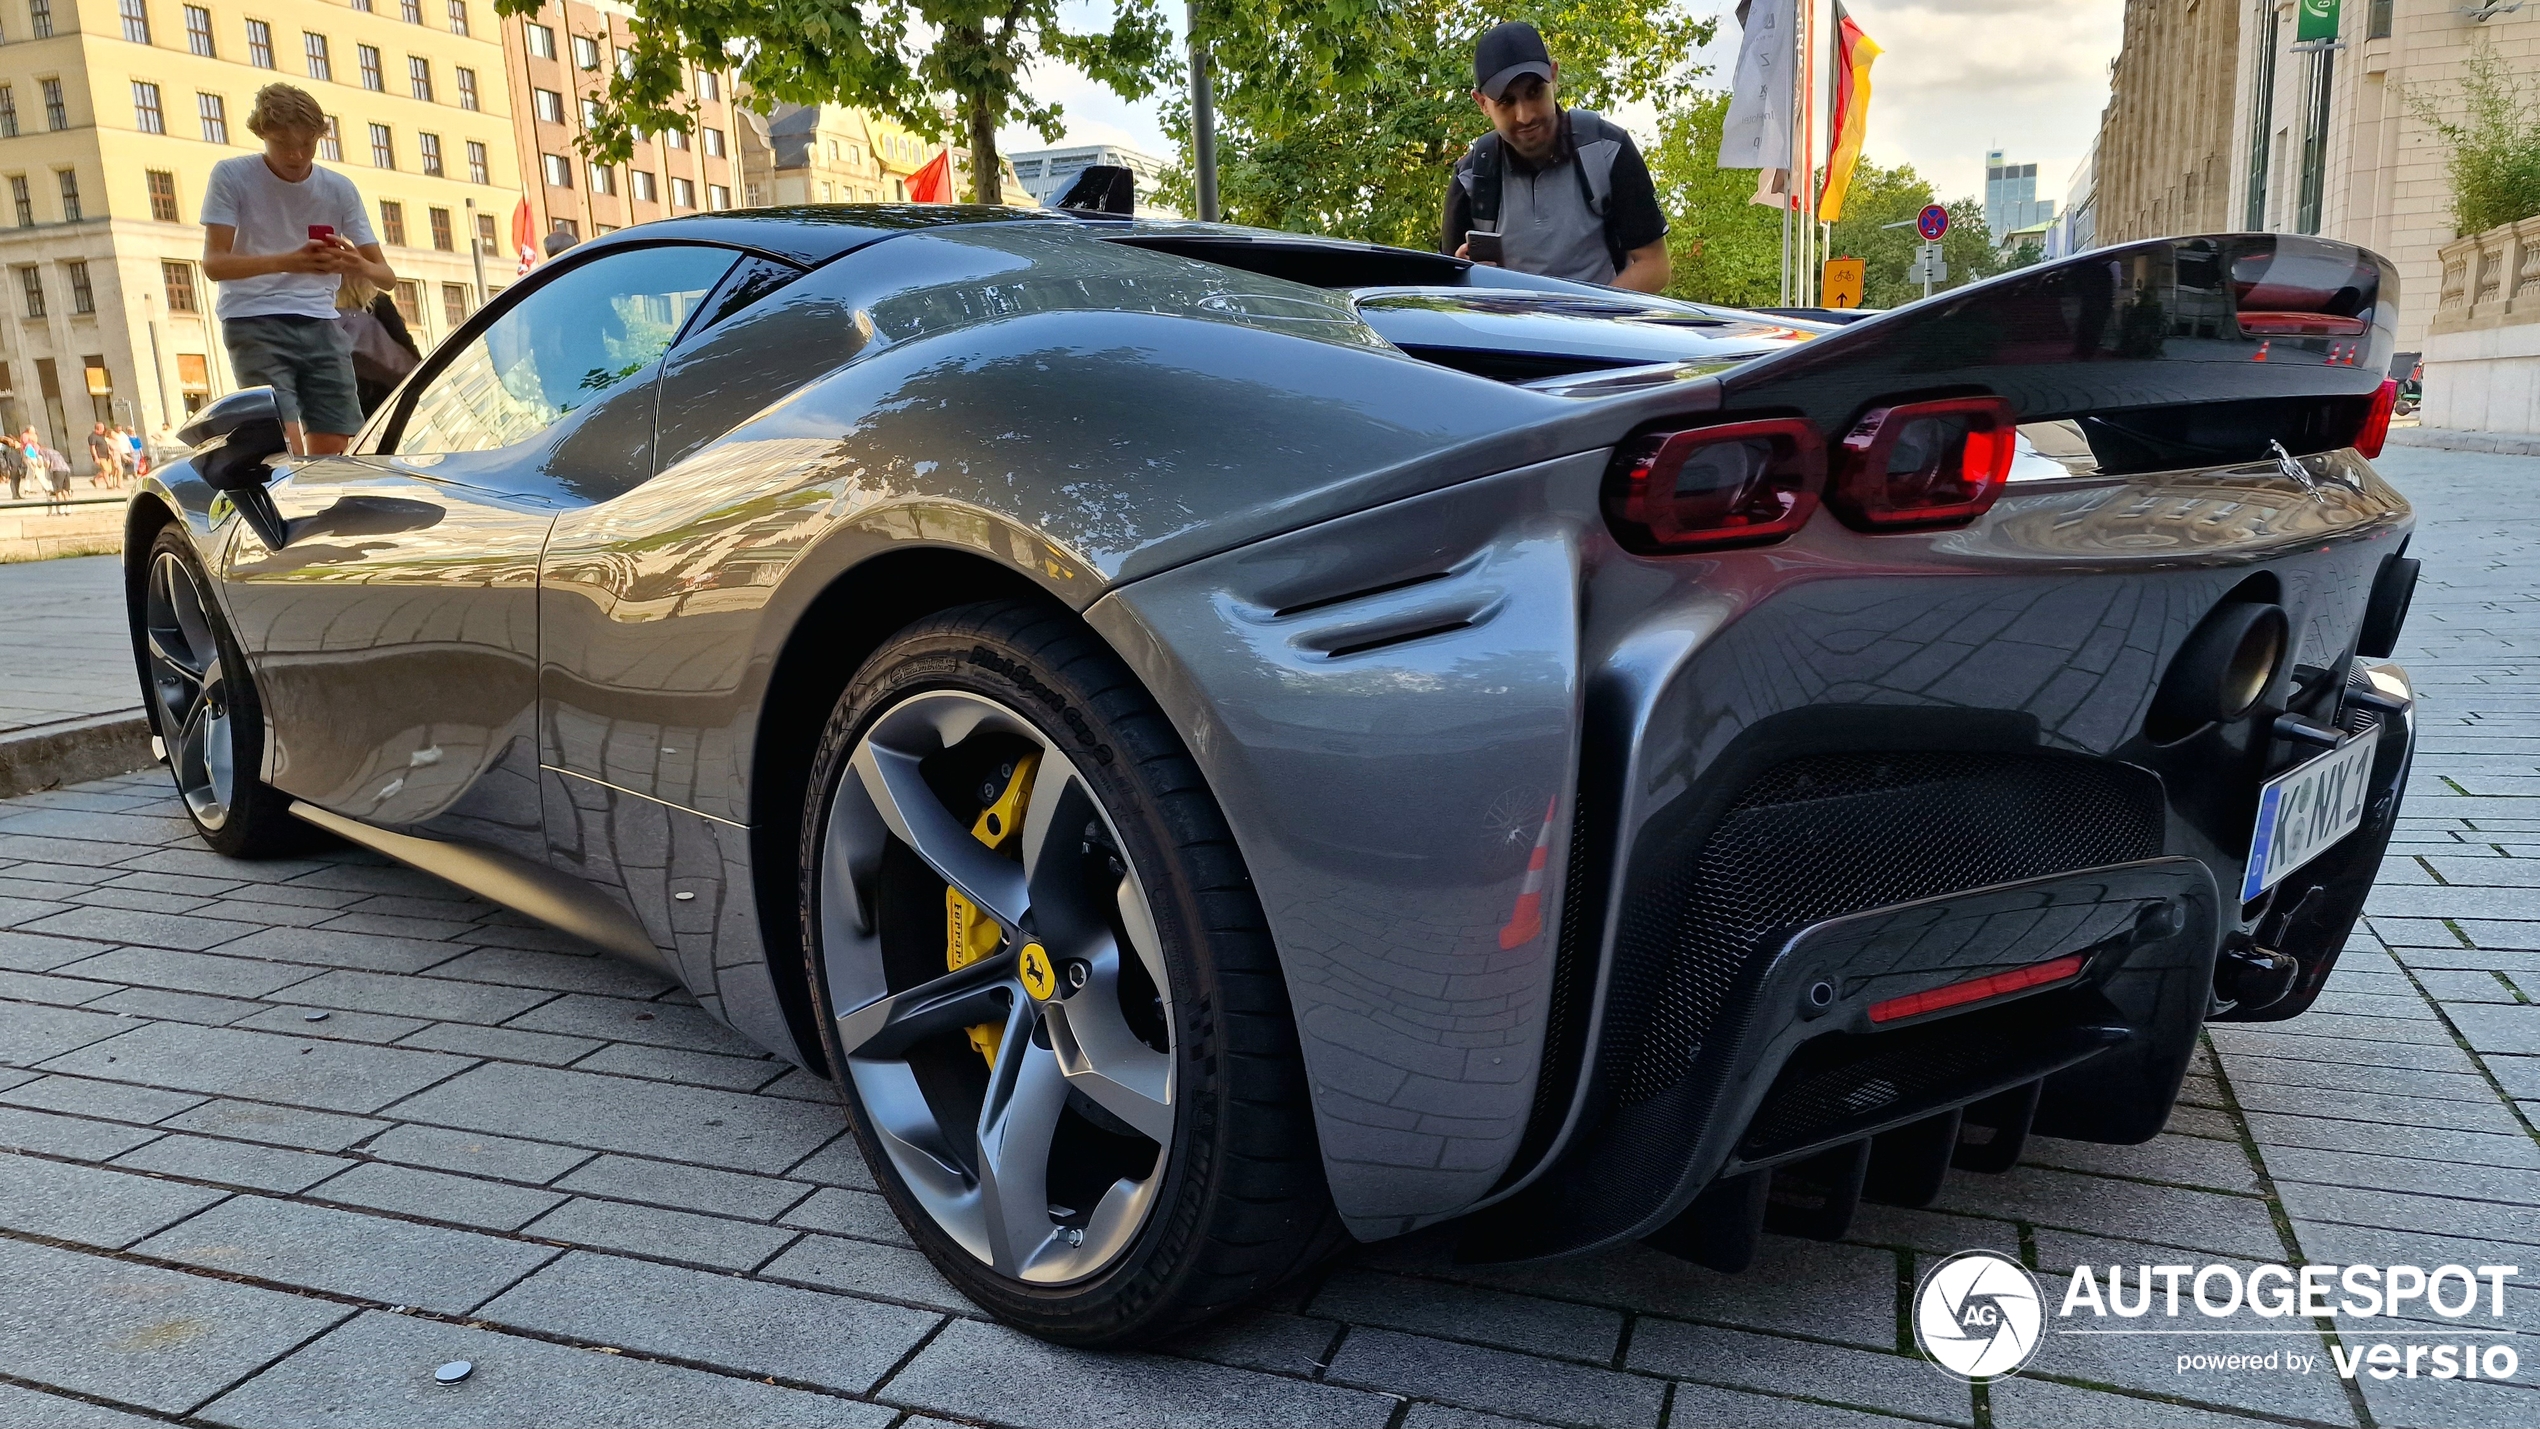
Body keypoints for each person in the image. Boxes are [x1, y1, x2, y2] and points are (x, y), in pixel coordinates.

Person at [199, 83, 395, 457]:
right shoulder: (232, 176)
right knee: (281, 442)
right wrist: (291, 261)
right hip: (253, 319)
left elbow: (387, 277)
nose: (296, 154)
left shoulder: (338, 188)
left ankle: (321, 510)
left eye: (307, 144)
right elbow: (214, 264)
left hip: (322, 321)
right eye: (283, 144)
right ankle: (288, 506)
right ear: (262, 135)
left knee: (337, 438)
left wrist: (357, 263)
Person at [1440, 21, 1671, 293]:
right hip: (1508, 333)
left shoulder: (1608, 151)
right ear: (1482, 103)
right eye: (1506, 101)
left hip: (1601, 329)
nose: (1525, 115)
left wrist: (1582, 320)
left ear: (1554, 77)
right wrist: (1464, 278)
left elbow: (1655, 266)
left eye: (1534, 92)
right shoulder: (1471, 178)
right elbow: (1448, 288)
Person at [335, 277, 422, 417]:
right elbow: (411, 356)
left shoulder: (377, 304)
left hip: (368, 410)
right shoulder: (379, 305)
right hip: (386, 405)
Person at [85, 422, 116, 488]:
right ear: (99, 428)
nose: (104, 429)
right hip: (100, 456)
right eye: (103, 428)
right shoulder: (92, 436)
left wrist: (110, 451)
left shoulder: (101, 436)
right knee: (105, 470)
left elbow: (106, 445)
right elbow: (92, 447)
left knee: (109, 470)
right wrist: (96, 457)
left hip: (107, 455)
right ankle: (108, 485)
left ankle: (95, 479)